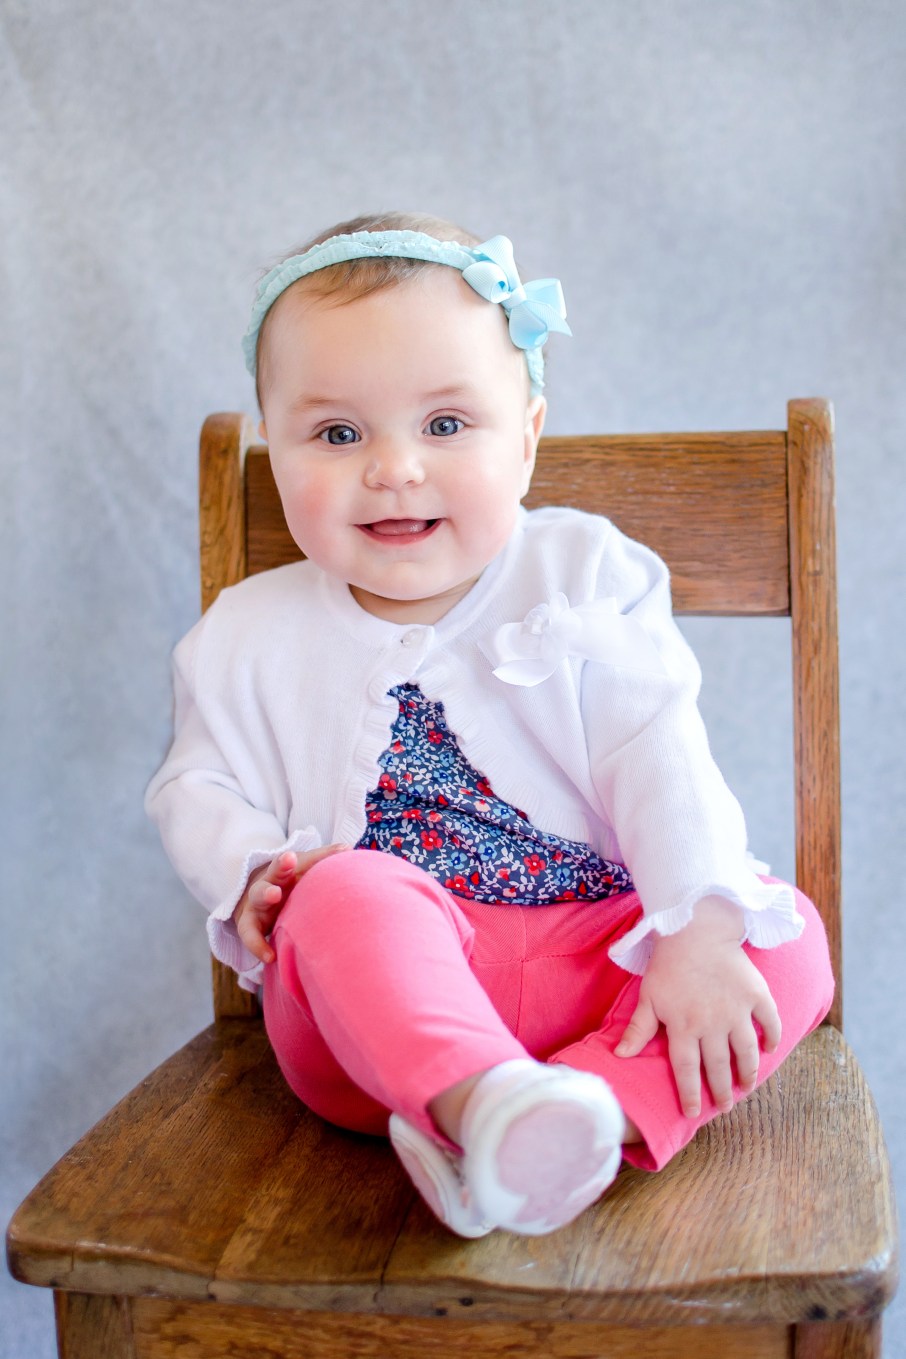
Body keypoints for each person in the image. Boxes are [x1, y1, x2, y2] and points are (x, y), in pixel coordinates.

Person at [146, 211, 834, 1239]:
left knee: (786, 939)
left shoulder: (584, 570)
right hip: (373, 1015)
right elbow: (195, 787)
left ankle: (580, 1118)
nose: (394, 467)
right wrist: (253, 873)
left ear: (528, 436)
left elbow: (659, 748)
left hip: (596, 962)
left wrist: (694, 927)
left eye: (445, 424)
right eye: (337, 434)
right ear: (275, 446)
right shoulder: (244, 632)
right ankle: (480, 1104)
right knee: (341, 889)